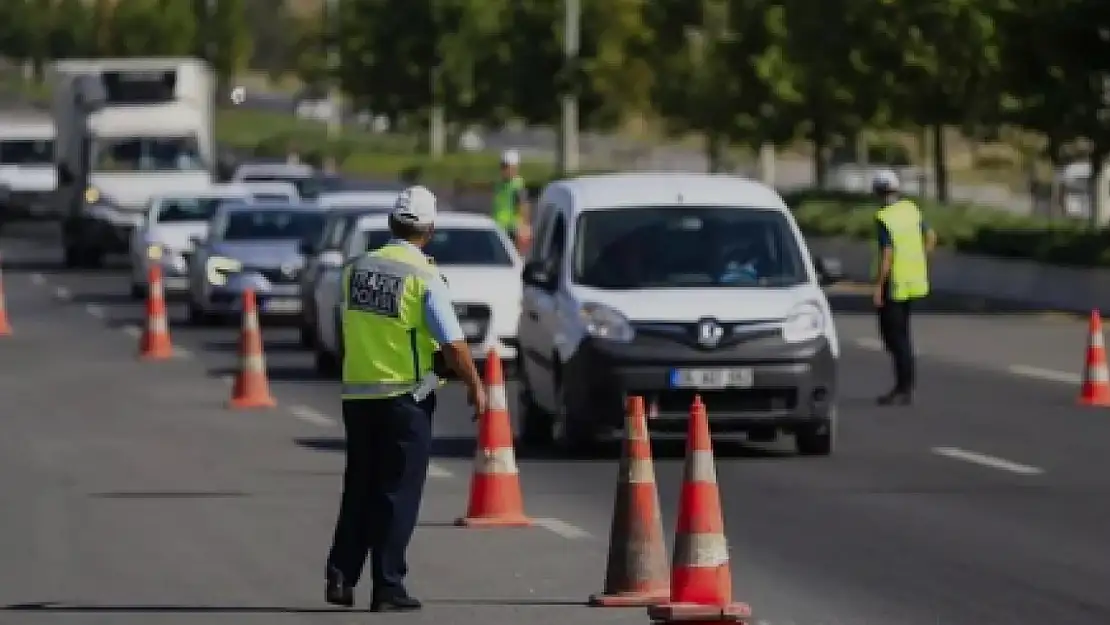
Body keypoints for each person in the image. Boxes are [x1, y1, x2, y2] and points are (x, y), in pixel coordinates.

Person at [324, 185, 487, 611]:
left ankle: (341, 576)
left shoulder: (355, 269)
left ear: (391, 224)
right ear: (428, 230)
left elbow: (351, 328)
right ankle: (387, 585)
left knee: (359, 486)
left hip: (357, 396)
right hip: (404, 398)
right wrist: (476, 385)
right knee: (396, 493)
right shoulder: (423, 277)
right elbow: (453, 345)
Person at [871, 169, 936, 406]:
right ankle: (906, 386)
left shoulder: (884, 217)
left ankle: (903, 387)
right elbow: (931, 236)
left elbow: (887, 255)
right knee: (903, 336)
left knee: (895, 338)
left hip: (895, 283)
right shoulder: (911, 210)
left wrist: (878, 287)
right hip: (913, 281)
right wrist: (920, 260)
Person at [491, 149, 531, 249]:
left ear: (514, 168)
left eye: (506, 167)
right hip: (498, 227)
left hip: (512, 230)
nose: (503, 170)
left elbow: (524, 206)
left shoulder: (518, 185)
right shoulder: (499, 184)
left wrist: (524, 228)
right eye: (502, 166)